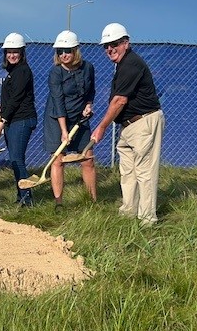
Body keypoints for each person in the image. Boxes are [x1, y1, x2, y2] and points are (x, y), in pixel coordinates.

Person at [91, 23, 165, 225]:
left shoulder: (131, 64)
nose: (109, 49)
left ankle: (148, 218)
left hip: (144, 122)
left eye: (114, 44)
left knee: (144, 171)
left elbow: (119, 101)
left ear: (126, 43)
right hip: (129, 126)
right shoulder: (122, 65)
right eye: (105, 46)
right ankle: (129, 211)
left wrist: (102, 127)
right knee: (128, 170)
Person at [43, 30, 96, 207]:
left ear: (75, 50)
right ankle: (59, 202)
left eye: (67, 50)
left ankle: (92, 201)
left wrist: (89, 104)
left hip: (80, 119)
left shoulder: (87, 67)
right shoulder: (55, 73)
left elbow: (91, 90)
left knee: (87, 159)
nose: (64, 55)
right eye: (60, 51)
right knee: (58, 160)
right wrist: (64, 131)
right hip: (57, 120)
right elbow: (58, 101)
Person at [0, 32, 37, 207]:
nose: (11, 55)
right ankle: (21, 196)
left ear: (22, 53)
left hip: (22, 120)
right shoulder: (12, 72)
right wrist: (2, 109)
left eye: (15, 52)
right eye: (9, 52)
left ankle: (27, 199)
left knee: (17, 159)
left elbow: (17, 98)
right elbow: (11, 99)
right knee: (15, 160)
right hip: (13, 120)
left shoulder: (23, 71)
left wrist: (2, 120)